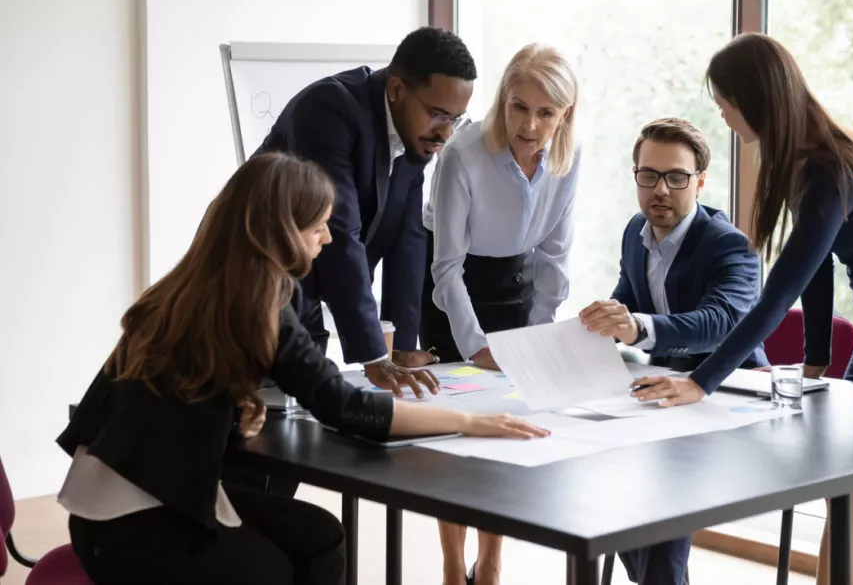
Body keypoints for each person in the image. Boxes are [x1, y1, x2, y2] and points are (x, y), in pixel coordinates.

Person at [55, 153, 549, 585]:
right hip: (139, 524)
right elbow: (347, 407)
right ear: (281, 232)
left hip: (105, 508)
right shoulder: (258, 303)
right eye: (317, 227)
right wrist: (468, 421)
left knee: (321, 538)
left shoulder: (183, 288)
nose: (327, 239)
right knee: (280, 569)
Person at [631, 33, 853, 585]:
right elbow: (819, 267)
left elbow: (776, 295)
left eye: (725, 102)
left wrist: (700, 383)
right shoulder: (804, 165)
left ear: (754, 100)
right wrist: (817, 358)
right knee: (850, 493)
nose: (723, 115)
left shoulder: (832, 169)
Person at [578, 117, 767, 585]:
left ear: (699, 181)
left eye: (676, 177)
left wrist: (635, 326)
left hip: (730, 396)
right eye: (648, 175)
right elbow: (628, 301)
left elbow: (719, 324)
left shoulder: (731, 246)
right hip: (664, 396)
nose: (660, 189)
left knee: (660, 481)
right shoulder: (635, 233)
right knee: (598, 469)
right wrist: (595, 325)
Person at [420, 43, 580, 585]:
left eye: (545, 113)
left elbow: (555, 257)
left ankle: (490, 563)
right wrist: (475, 345)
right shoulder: (463, 154)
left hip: (519, 288)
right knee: (456, 439)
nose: (529, 125)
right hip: (454, 297)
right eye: (519, 107)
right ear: (502, 100)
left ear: (565, 115)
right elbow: (446, 267)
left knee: (508, 428)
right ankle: (449, 564)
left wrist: (534, 341)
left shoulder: (569, 157)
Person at [255, 26, 478, 396]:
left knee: (305, 420)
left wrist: (403, 347)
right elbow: (339, 234)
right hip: (258, 300)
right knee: (258, 421)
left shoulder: (414, 135)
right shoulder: (330, 110)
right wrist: (376, 356)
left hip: (306, 304)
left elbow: (408, 236)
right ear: (396, 89)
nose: (445, 133)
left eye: (455, 119)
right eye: (439, 114)